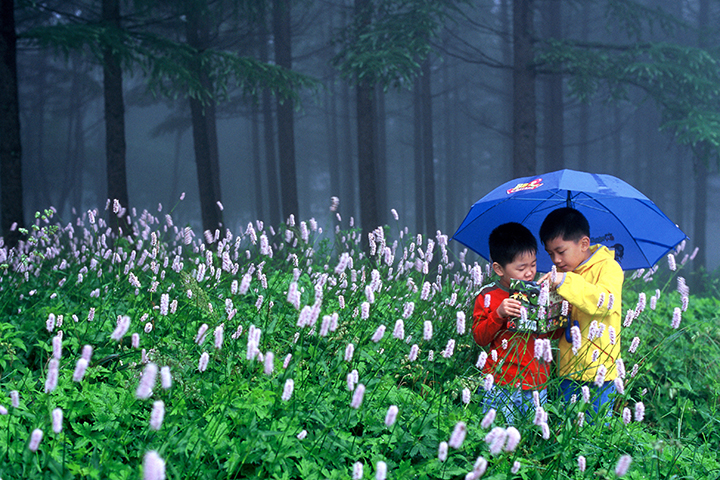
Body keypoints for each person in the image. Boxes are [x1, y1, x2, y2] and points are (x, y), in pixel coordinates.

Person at [538, 207, 623, 416]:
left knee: (595, 431)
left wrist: (565, 281)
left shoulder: (609, 268)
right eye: (550, 254)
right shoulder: (560, 273)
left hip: (600, 369)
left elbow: (605, 302)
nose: (555, 260)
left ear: (584, 243)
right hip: (568, 368)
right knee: (566, 425)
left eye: (561, 251)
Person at [472, 222, 550, 424]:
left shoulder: (541, 293)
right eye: (521, 268)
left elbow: (550, 338)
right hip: (499, 382)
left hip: (536, 382)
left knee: (529, 440)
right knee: (494, 435)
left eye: (533, 265)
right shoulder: (488, 296)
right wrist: (498, 314)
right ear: (498, 268)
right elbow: (480, 338)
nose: (529, 273)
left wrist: (555, 313)